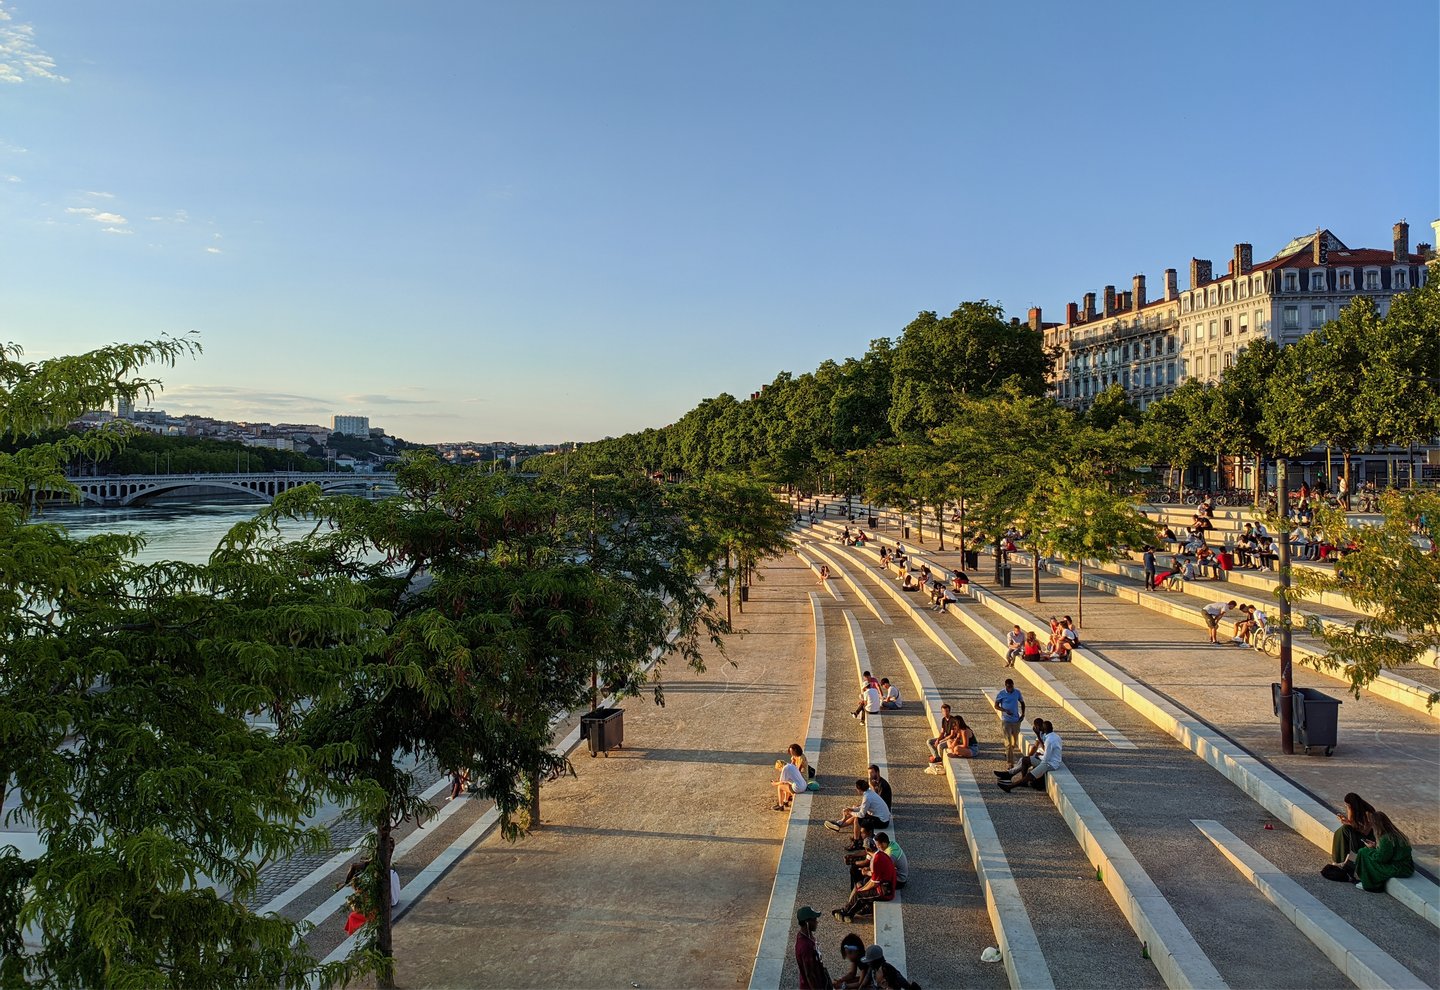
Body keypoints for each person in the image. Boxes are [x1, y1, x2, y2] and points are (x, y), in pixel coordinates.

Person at [831, 836, 897, 923]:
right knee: (864, 883)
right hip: (887, 886)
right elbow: (874, 876)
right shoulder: (880, 854)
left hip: (885, 892)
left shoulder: (876, 860)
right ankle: (850, 914)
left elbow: (874, 883)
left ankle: (844, 912)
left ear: (867, 849)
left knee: (859, 894)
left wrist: (862, 889)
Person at [1351, 811, 1415, 892]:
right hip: (1407, 866)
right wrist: (1375, 846)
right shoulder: (1397, 834)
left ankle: (1369, 884)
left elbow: (1381, 858)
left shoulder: (1386, 838)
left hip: (1399, 868)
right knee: (1366, 852)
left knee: (1363, 852)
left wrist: (1371, 849)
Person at [996, 720, 1062, 791]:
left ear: (1044, 729)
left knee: (1030, 775)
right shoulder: (1055, 736)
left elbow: (1046, 759)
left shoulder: (1049, 740)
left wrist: (1038, 756)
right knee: (1025, 760)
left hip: (1050, 764)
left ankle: (1010, 787)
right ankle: (1020, 781)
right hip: (1049, 760)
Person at [1322, 793, 1376, 878]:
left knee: (1347, 829)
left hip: (1366, 838)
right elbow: (1352, 822)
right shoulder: (1352, 809)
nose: (1347, 807)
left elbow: (1365, 831)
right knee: (1342, 830)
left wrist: (1349, 824)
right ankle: (1339, 859)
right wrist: (1345, 820)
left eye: (1348, 805)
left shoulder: (1368, 812)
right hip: (1356, 831)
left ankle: (1347, 861)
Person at [825, 778, 892, 846]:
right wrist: (852, 809)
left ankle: (856, 842)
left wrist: (850, 813)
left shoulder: (867, 797)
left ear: (859, 789)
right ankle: (839, 825)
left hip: (882, 822)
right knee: (856, 815)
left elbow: (861, 814)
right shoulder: (869, 792)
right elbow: (863, 807)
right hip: (882, 818)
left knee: (856, 819)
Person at [794, 906, 831, 990]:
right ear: (807, 922)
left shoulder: (807, 935)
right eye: (814, 920)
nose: (816, 922)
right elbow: (809, 974)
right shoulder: (805, 946)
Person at [994, 678, 1026, 766]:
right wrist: (1004, 710)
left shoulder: (1017, 692)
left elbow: (1022, 703)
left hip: (1015, 720)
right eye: (1009, 687)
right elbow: (996, 706)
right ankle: (1010, 762)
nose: (1010, 688)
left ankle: (1008, 752)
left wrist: (1023, 714)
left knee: (1014, 742)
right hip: (1006, 720)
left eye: (1012, 686)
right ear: (1006, 686)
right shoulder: (1001, 694)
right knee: (1008, 742)